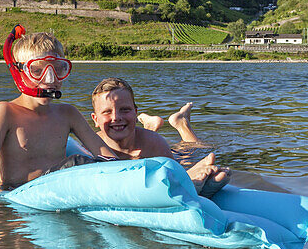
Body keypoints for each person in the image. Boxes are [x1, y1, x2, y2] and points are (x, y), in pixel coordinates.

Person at [0, 27, 117, 193]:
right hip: (19, 199)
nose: (50, 79)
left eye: (58, 69)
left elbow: (110, 159)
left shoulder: (68, 114)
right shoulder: (6, 112)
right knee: (76, 163)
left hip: (59, 193)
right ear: (19, 73)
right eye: (37, 71)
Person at [91, 77, 230, 197]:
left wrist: (184, 175)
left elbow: (173, 173)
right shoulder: (91, 147)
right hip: (142, 147)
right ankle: (152, 124)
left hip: (168, 154)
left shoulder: (154, 143)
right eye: (107, 112)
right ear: (95, 119)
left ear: (135, 112)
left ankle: (181, 123)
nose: (116, 117)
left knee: (191, 151)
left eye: (125, 110)